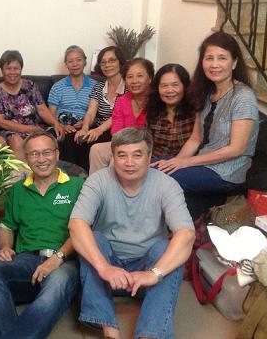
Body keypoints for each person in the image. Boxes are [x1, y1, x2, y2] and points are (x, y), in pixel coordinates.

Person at [69, 128, 195, 339]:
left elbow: (186, 234)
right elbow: (76, 224)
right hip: (106, 275)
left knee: (167, 248)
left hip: (146, 275)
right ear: (113, 157)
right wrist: (104, 267)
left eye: (137, 155)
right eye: (122, 155)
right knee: (94, 239)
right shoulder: (98, 181)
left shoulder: (167, 185)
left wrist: (154, 273)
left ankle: (150, 335)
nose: (129, 163)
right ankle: (109, 330)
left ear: (149, 157)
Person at [0, 131, 83, 339]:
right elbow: (7, 226)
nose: (41, 159)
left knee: (59, 280)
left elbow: (84, 230)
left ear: (57, 154)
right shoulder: (18, 190)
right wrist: (5, 246)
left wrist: (58, 258)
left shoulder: (77, 185)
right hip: (27, 261)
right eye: (34, 154)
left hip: (64, 261)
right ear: (26, 158)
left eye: (47, 152)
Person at [152, 31, 259, 219]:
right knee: (146, 167)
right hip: (202, 164)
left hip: (227, 172)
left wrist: (186, 162)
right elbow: (195, 139)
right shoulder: (207, 93)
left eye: (222, 58)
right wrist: (175, 162)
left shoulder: (243, 97)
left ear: (234, 63)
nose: (214, 64)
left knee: (155, 176)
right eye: (209, 58)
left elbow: (236, 149)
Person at [0, 50, 63, 160]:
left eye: (16, 68)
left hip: (36, 128)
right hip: (12, 131)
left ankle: (47, 169)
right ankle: (23, 170)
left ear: (21, 69)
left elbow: (42, 110)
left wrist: (56, 123)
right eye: (8, 68)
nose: (12, 72)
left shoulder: (30, 85)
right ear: (2, 70)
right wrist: (29, 129)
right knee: (16, 140)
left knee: (47, 139)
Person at [89, 58, 154, 174]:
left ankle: (114, 185)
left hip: (148, 146)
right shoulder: (122, 100)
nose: (134, 81)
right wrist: (124, 149)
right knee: (96, 150)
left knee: (117, 160)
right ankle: (96, 183)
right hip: (124, 142)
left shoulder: (156, 100)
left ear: (149, 78)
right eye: (130, 77)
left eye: (140, 76)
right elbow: (116, 133)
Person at [47, 45, 96, 171]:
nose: (75, 64)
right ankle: (66, 174)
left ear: (85, 61)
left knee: (81, 138)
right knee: (63, 137)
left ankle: (81, 175)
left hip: (85, 126)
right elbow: (50, 114)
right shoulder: (58, 86)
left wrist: (85, 123)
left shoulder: (95, 86)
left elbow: (96, 112)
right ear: (66, 64)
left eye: (78, 60)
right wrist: (61, 126)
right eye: (70, 61)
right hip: (60, 125)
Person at [74, 46, 126, 146]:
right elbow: (91, 112)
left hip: (119, 131)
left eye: (112, 60)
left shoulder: (128, 86)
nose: (107, 65)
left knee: (92, 143)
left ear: (120, 62)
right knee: (76, 139)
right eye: (103, 62)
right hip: (98, 128)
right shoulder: (98, 87)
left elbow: (118, 115)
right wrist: (84, 128)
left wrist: (99, 130)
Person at [146, 63, 195, 160]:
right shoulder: (153, 112)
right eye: (164, 86)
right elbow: (147, 145)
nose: (169, 90)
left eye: (175, 85)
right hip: (156, 162)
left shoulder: (195, 112)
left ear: (185, 86)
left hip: (186, 163)